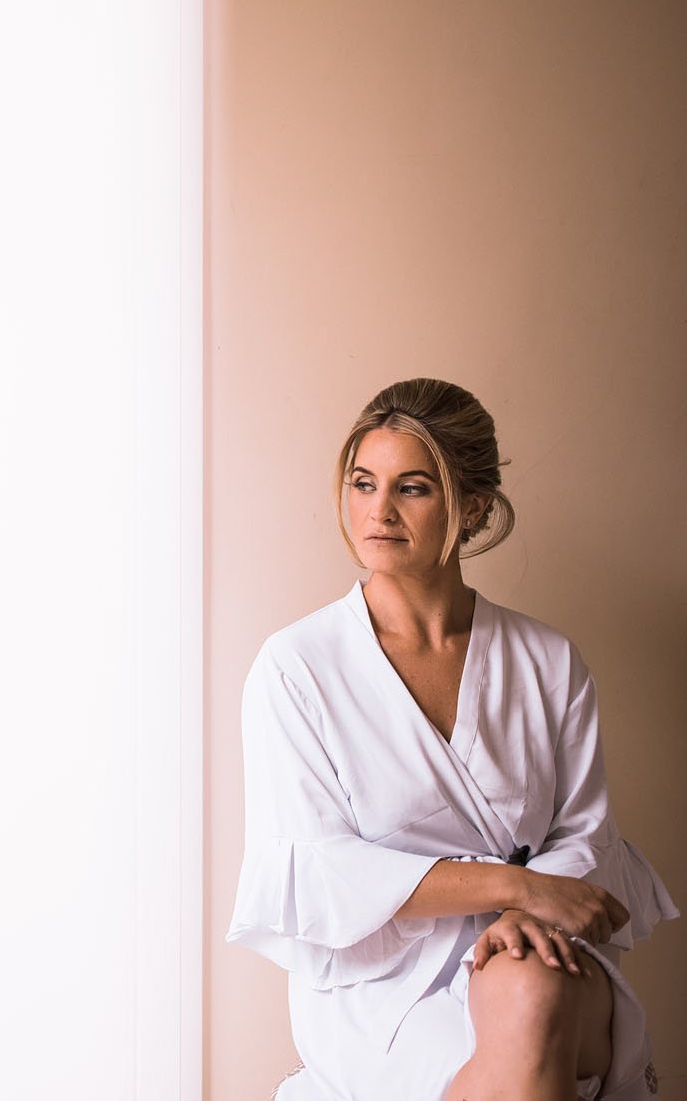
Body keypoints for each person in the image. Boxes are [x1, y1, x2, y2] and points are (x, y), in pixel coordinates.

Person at [226, 378, 678, 1100]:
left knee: (531, 991)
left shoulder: (547, 660)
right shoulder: (298, 666)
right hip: (379, 985)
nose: (377, 511)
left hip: (539, 943)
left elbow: (587, 835)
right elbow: (322, 868)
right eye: (362, 482)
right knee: (523, 1027)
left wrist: (521, 918)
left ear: (471, 507)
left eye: (412, 488)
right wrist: (516, 886)